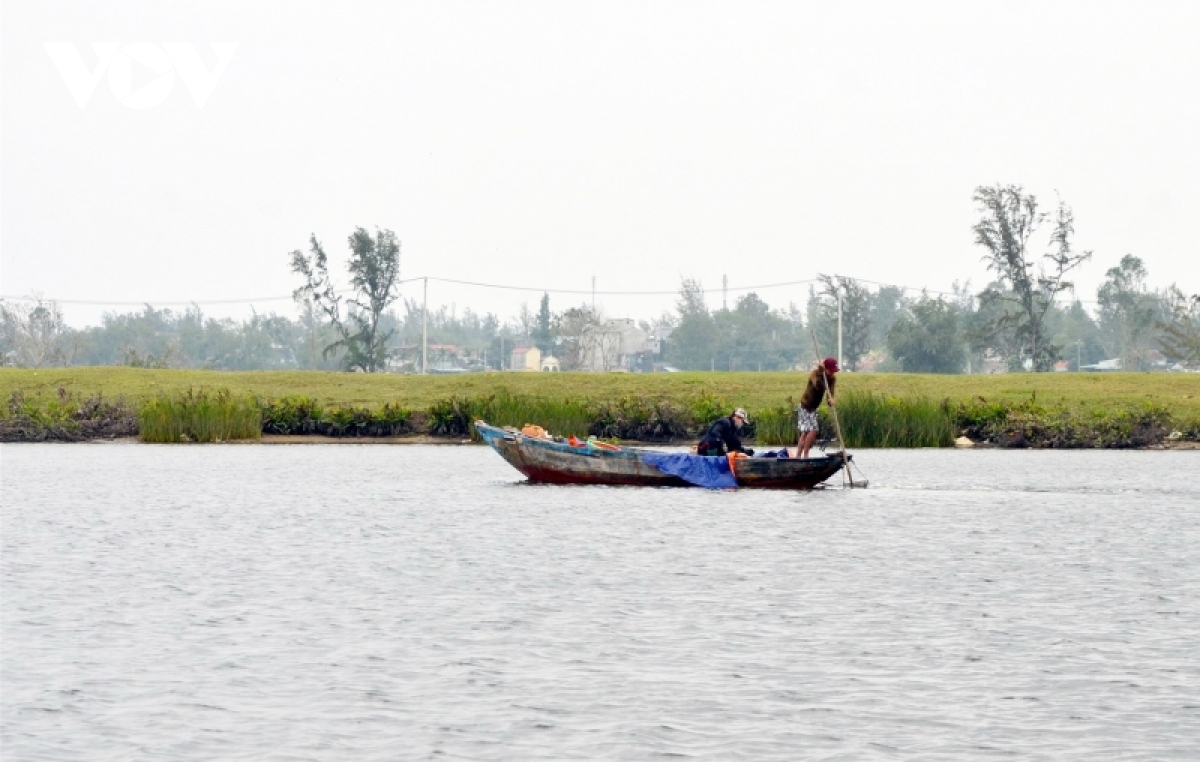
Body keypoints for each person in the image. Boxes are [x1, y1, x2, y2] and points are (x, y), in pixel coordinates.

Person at [796, 357, 838, 458]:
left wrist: (831, 400)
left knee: (807, 431)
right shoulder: (814, 374)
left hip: (814, 407)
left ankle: (800, 456)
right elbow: (818, 386)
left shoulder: (832, 378)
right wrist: (820, 372)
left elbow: (830, 392)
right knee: (812, 430)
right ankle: (804, 455)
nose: (833, 373)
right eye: (831, 371)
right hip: (805, 405)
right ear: (825, 369)